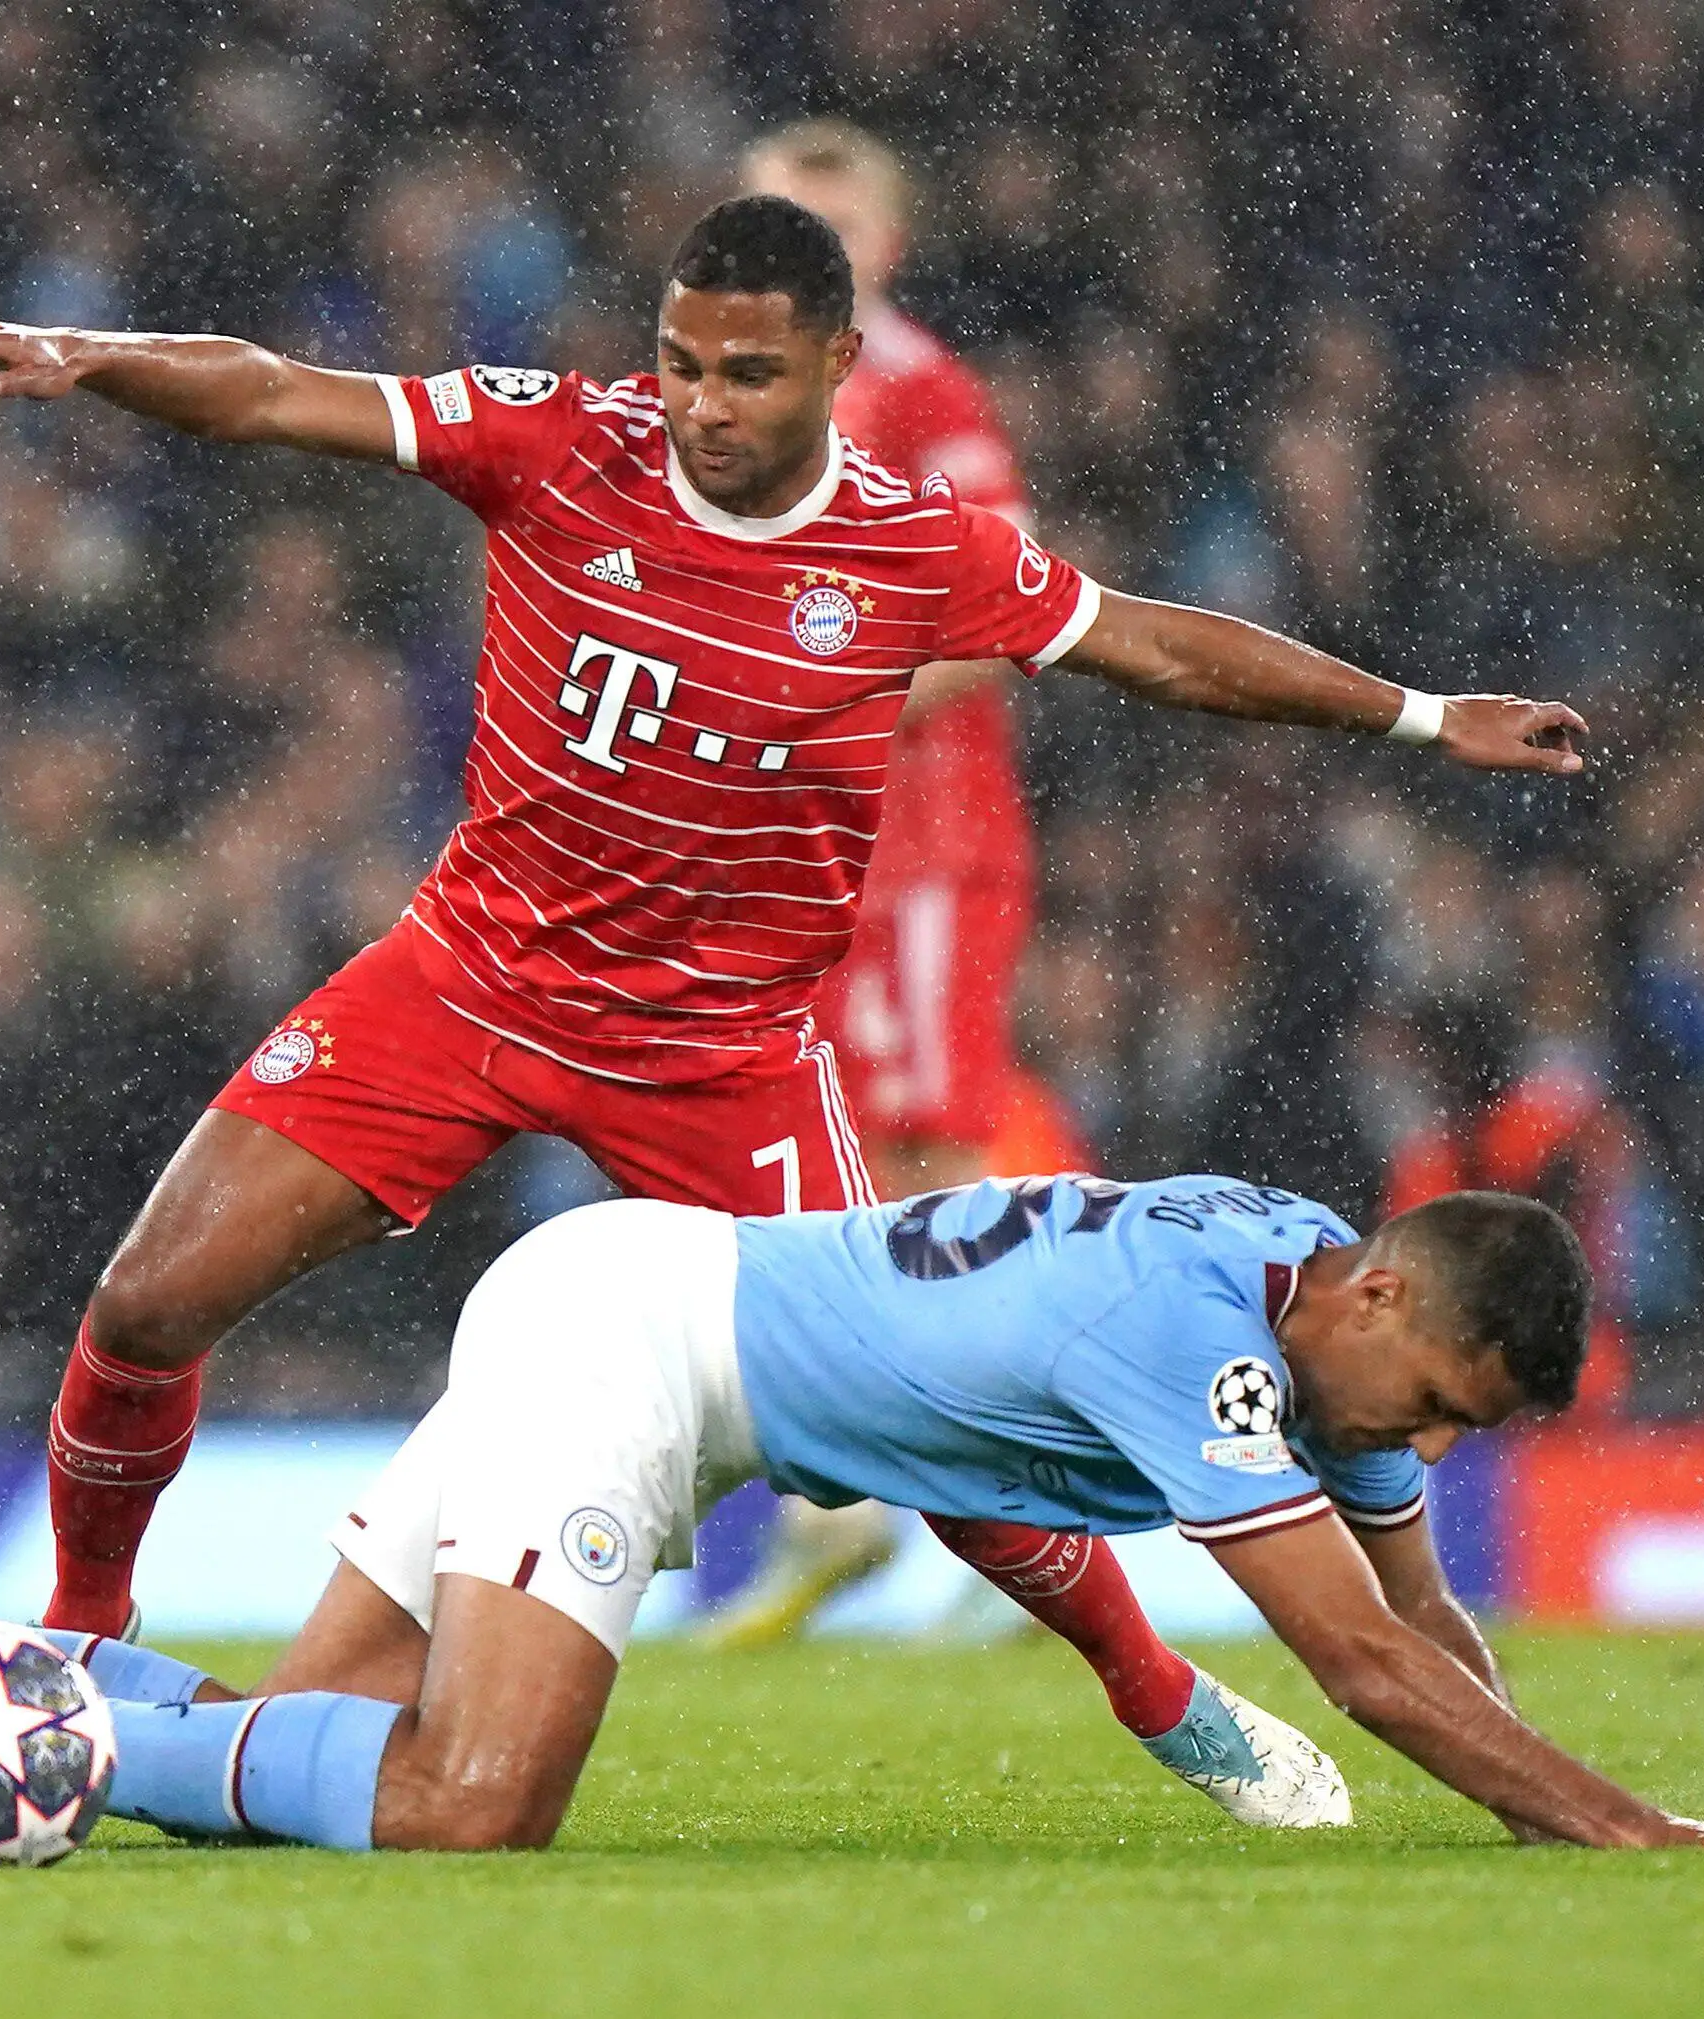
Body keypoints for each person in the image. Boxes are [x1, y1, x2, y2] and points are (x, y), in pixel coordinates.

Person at [0, 196, 1587, 1808]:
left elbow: (1151, 644)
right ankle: (75, 1636)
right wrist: (95, 361)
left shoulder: (913, 548)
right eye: (682, 360)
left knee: (919, 1428)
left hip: (720, 1052)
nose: (699, 403)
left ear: (838, 366)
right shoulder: (557, 437)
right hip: (468, 976)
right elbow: (279, 400)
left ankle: (1157, 1693)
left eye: (746, 371)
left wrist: (1423, 718)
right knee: (152, 1297)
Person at [0, 1177, 1704, 1853]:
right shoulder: (1198, 1337)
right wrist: (1638, 1839)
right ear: (1382, 1297)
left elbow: (1418, 1598)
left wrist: (1549, 1816)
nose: (1418, 1446)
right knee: (463, 1807)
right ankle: (0, 1730)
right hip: (636, 1351)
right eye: (1429, 1400)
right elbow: (1373, 1662)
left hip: (651, 1309)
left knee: (302, 1758)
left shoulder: (1320, 1282)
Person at [708, 120, 1091, 1642]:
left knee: (929, 1153)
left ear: (882, 247)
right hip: (786, 839)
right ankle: (842, 1502)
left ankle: (1036, 1494)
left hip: (916, 848)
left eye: (831, 216)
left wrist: (797, 700)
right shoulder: (723, 398)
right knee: (812, 1154)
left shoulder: (921, 389)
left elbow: (999, 605)